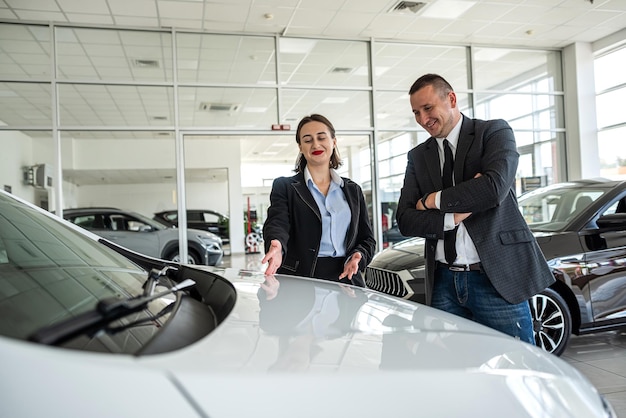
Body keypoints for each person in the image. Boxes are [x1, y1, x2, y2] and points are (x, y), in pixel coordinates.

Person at [396, 73, 554, 344]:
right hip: (444, 281)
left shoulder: (493, 133)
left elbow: (493, 189)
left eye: (428, 108)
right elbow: (406, 220)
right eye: (416, 113)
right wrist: (454, 216)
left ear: (452, 99)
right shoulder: (418, 157)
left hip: (494, 279)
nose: (423, 120)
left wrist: (432, 201)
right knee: (454, 374)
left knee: (514, 367)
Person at [261, 114, 376, 287]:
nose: (315, 144)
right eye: (307, 140)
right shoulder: (285, 187)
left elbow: (366, 238)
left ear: (334, 141)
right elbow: (277, 222)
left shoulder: (352, 190)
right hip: (302, 278)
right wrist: (276, 245)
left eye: (321, 137)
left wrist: (359, 255)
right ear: (300, 147)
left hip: (347, 279)